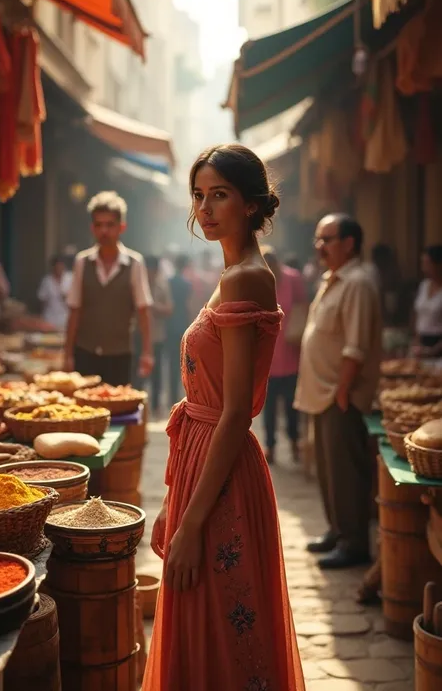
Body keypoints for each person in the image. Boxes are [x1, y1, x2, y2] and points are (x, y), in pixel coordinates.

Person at [143, 144, 304, 691]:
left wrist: (190, 524)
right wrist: (173, 503)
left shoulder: (245, 278)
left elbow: (235, 412)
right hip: (201, 459)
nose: (205, 208)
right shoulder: (232, 272)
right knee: (200, 619)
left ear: (252, 206)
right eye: (198, 195)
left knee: (222, 626)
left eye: (220, 195)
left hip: (224, 470)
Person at [295, 213, 382, 570]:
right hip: (322, 391)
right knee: (328, 470)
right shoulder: (333, 279)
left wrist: (344, 388)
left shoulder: (358, 282)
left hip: (339, 393)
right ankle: (337, 530)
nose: (319, 246)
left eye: (327, 239)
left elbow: (355, 346)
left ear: (349, 243)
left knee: (346, 472)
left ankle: (353, 541)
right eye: (318, 239)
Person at [64, 191, 154, 386]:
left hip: (119, 354)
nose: (104, 231)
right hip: (85, 352)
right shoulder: (82, 262)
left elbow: (143, 311)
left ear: (121, 227)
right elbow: (74, 310)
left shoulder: (134, 263)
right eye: (98, 225)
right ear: (92, 228)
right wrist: (68, 354)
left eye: (110, 225)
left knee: (117, 408)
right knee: (83, 411)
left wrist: (147, 353)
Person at [262, 248, 307, 464]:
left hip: (290, 353)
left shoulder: (293, 278)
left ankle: (294, 442)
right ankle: (270, 446)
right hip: (267, 358)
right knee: (268, 407)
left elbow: (303, 307)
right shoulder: (258, 281)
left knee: (291, 406)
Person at [145, 255, 173, 417]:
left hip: (157, 336)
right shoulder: (138, 283)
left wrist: (152, 307)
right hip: (139, 336)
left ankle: (155, 406)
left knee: (156, 375)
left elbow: (169, 309)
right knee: (138, 375)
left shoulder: (162, 286)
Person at [166, 254, 193, 406]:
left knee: (170, 362)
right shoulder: (187, 284)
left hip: (170, 325)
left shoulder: (168, 282)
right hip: (182, 324)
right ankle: (183, 394)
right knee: (183, 362)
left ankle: (172, 396)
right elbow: (188, 306)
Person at [413, 245, 442, 359]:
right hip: (421, 342)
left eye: (428, 263)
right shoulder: (424, 285)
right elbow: (418, 315)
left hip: (438, 342)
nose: (424, 268)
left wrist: (433, 351)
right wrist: (416, 342)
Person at [37, 255, 72, 331]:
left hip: (66, 317)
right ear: (53, 267)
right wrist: (41, 317)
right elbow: (42, 300)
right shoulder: (47, 281)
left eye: (61, 266)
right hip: (50, 318)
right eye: (57, 267)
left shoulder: (70, 278)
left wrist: (67, 297)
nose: (59, 269)